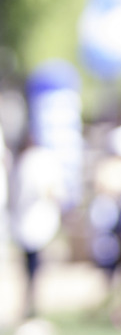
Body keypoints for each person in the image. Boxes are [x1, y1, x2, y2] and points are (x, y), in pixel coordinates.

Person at [9, 137, 64, 322]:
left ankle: (33, 306)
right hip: (31, 225)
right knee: (32, 268)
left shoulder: (30, 161)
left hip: (34, 224)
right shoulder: (31, 162)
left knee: (34, 268)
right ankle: (30, 306)